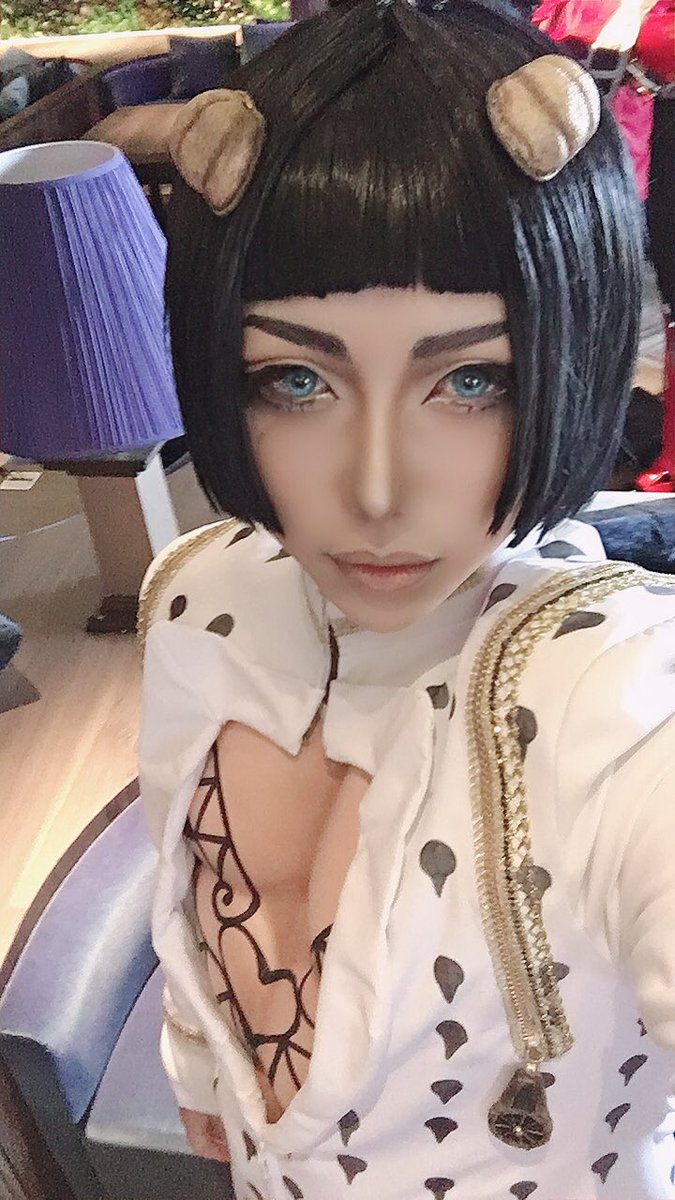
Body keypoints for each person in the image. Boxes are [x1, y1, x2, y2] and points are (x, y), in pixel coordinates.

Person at [137, 2, 675, 1196]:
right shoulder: (198, 600)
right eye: (294, 380)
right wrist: (198, 1065)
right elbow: (188, 911)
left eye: (473, 380)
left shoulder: (616, 698)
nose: (376, 492)